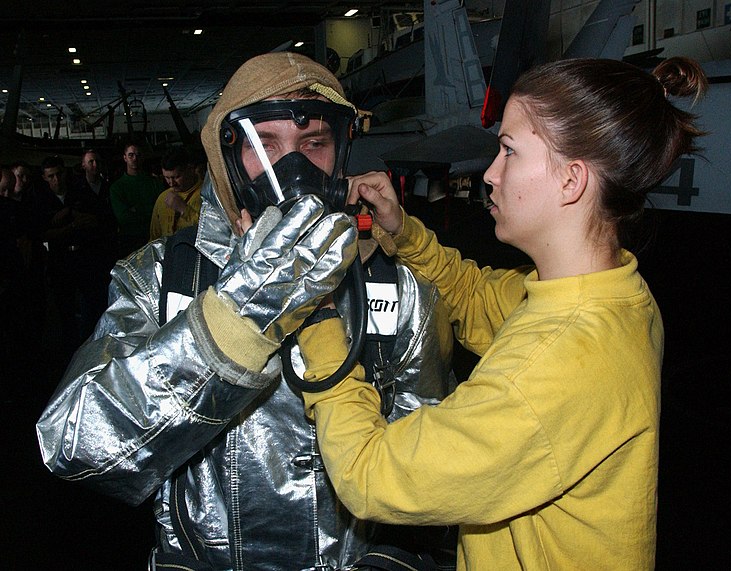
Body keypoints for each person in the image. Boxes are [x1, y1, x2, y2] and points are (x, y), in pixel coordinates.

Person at [37, 52, 456, 571]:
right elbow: (75, 445)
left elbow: (430, 469)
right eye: (266, 144)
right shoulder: (160, 277)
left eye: (314, 143)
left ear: (340, 151)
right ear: (227, 154)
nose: (293, 165)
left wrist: (391, 560)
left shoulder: (395, 284)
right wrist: (242, 313)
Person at [298, 57, 709, 570]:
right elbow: (475, 296)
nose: (490, 173)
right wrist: (402, 232)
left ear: (571, 181)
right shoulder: (614, 293)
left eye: (509, 152)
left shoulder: (553, 364)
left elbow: (369, 475)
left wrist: (314, 317)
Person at [39, 155, 108, 358]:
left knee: (91, 305)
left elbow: (97, 219)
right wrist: (72, 225)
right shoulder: (41, 199)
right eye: (51, 176)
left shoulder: (80, 191)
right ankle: (70, 353)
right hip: (61, 260)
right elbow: (41, 233)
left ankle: (90, 349)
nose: (56, 180)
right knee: (65, 309)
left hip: (84, 256)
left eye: (59, 174)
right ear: (44, 177)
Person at [109, 142, 163, 256]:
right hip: (129, 241)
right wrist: (149, 209)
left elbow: (161, 211)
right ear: (125, 158)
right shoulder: (117, 187)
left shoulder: (155, 184)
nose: (134, 159)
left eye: (138, 155)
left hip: (153, 238)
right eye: (131, 155)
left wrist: (136, 210)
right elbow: (123, 218)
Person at [149, 145, 202, 240]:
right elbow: (154, 237)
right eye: (167, 178)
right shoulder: (163, 198)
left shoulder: (206, 195)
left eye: (176, 177)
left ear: (190, 169)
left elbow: (213, 231)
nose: (171, 183)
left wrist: (184, 210)